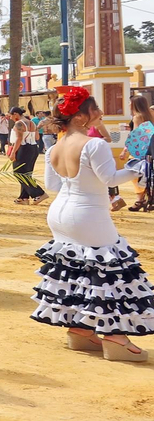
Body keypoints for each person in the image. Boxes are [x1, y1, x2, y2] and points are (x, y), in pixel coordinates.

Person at [32, 86, 154, 360]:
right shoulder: (94, 144)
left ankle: (81, 329)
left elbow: (52, 185)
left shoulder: (54, 145)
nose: (99, 112)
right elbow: (110, 179)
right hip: (88, 212)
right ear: (79, 117)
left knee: (76, 269)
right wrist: (138, 166)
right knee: (111, 272)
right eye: (94, 108)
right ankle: (115, 337)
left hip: (60, 213)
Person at [6, 107, 46, 205]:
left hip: (23, 148)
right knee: (27, 173)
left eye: (11, 115)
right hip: (33, 148)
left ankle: (39, 193)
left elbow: (19, 139)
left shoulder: (19, 123)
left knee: (19, 172)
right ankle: (23, 197)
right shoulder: (32, 122)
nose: (10, 118)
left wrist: (13, 152)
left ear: (15, 114)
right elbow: (37, 137)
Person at [128, 94, 154, 211]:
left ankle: (140, 200)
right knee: (148, 174)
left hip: (140, 150)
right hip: (151, 149)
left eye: (130, 103)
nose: (128, 105)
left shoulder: (137, 117)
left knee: (135, 173)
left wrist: (125, 150)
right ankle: (147, 199)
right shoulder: (150, 114)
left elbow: (136, 136)